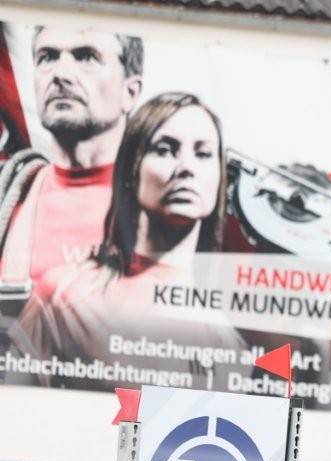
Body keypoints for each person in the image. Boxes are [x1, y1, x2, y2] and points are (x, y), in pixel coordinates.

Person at [15, 91, 242, 377]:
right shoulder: (65, 294)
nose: (186, 168)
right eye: (165, 149)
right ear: (132, 168)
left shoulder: (227, 336)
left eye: (203, 154)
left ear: (220, 177)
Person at [0, 27, 144, 316]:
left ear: (130, 91)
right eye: (47, 57)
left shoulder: (181, 203)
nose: (61, 74)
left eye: (86, 57)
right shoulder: (11, 195)